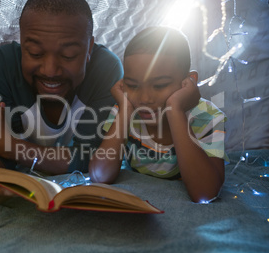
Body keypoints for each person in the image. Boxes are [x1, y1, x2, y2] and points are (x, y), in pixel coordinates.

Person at [0, 0, 123, 203]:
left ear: (89, 48)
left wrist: (11, 147)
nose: (50, 71)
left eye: (68, 56)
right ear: (22, 44)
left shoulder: (106, 69)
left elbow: (91, 161)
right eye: (35, 53)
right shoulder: (4, 65)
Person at [89, 26, 228, 203]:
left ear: (189, 81)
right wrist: (125, 109)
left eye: (160, 86)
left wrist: (175, 110)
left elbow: (206, 193)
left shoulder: (208, 117)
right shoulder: (126, 110)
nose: (144, 98)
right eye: (133, 85)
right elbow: (100, 176)